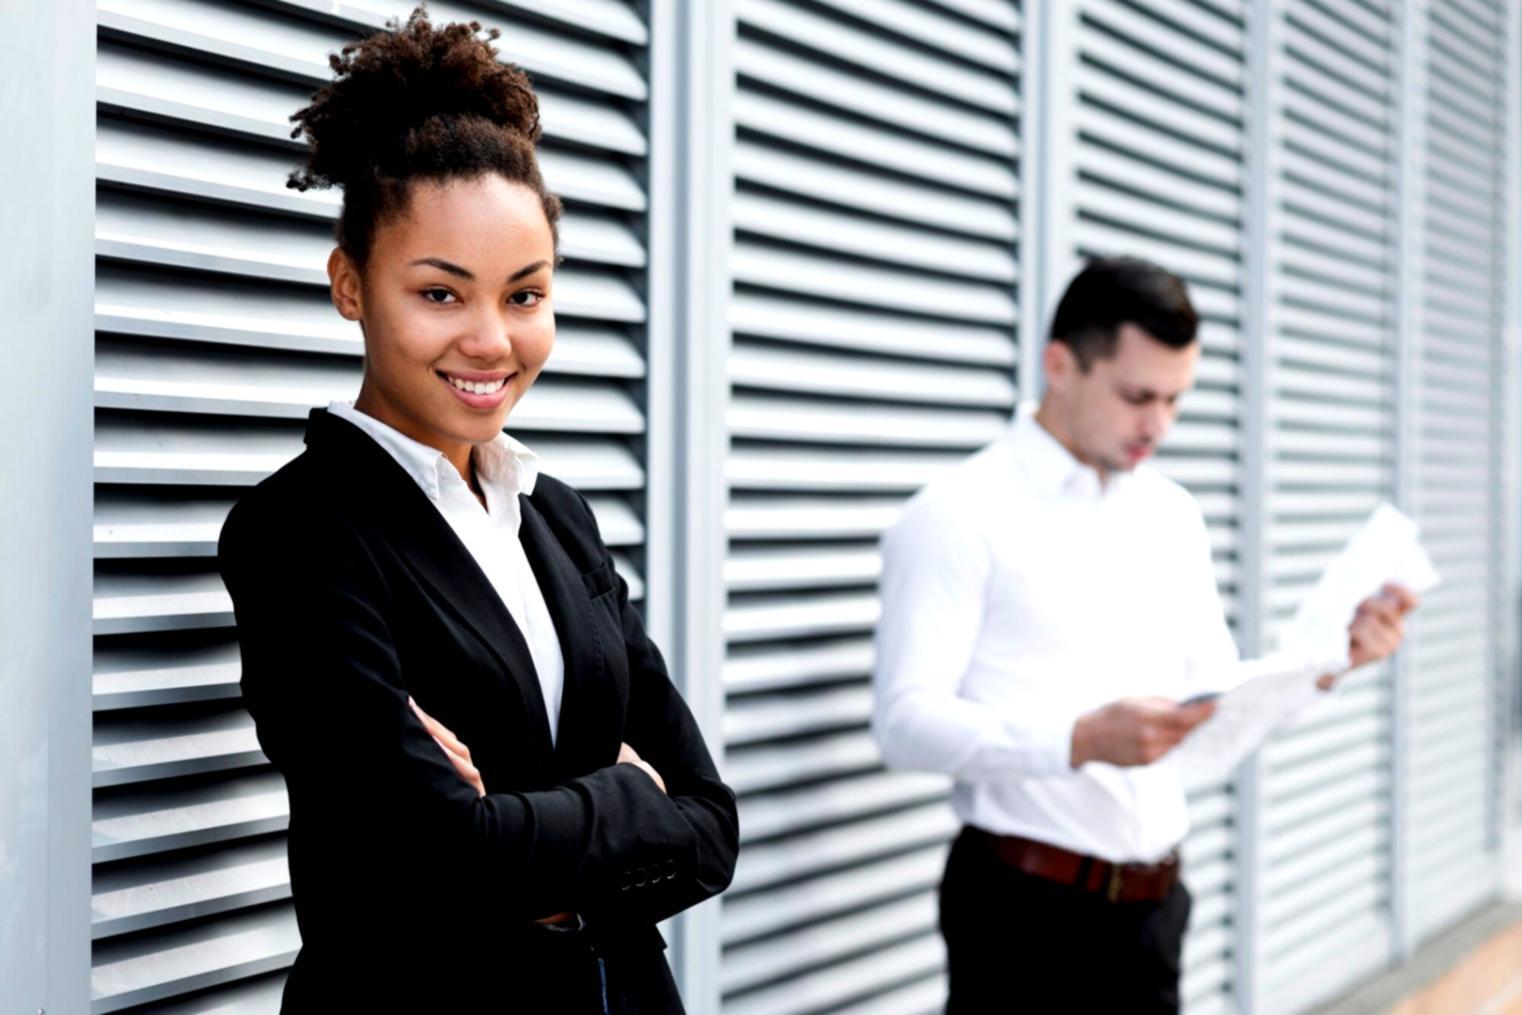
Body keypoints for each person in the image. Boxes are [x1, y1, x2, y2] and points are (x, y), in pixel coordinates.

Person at [216, 9, 738, 1012]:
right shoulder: (302, 533)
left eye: (525, 294)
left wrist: (521, 826)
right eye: (442, 294)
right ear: (350, 286)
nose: (492, 340)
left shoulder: (555, 517)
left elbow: (711, 824)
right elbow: (433, 852)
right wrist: (630, 799)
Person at [870, 257, 1416, 1013]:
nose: (1158, 424)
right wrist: (1080, 739)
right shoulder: (957, 514)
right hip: (1022, 914)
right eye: (1137, 396)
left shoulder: (1171, 514)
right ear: (1059, 365)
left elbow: (1210, 725)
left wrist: (1330, 663)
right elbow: (902, 725)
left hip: (1155, 913)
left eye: (1175, 399)